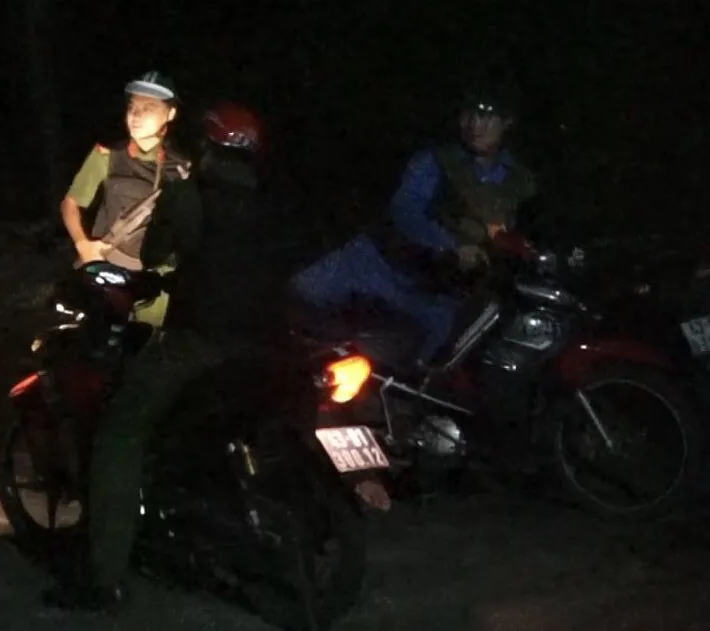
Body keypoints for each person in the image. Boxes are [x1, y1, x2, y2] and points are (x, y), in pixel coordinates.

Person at [43, 102, 299, 612]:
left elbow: (156, 253)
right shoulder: (277, 202)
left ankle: (105, 579)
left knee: (120, 433)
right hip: (273, 344)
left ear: (207, 146)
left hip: (201, 343)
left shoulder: (189, 195)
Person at [291, 85, 537, 364]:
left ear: (507, 122)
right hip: (376, 266)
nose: (474, 125)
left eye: (487, 116)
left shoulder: (521, 182)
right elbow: (406, 210)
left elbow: (528, 238)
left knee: (429, 364)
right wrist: (451, 245)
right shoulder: (435, 160)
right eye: (469, 114)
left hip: (437, 298)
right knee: (299, 297)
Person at [59, 70, 191, 327]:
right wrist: (83, 245)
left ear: (170, 114)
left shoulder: (182, 167)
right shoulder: (107, 155)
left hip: (154, 281)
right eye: (133, 107)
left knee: (146, 342)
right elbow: (70, 203)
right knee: (95, 335)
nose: (136, 115)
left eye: (149, 108)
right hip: (108, 268)